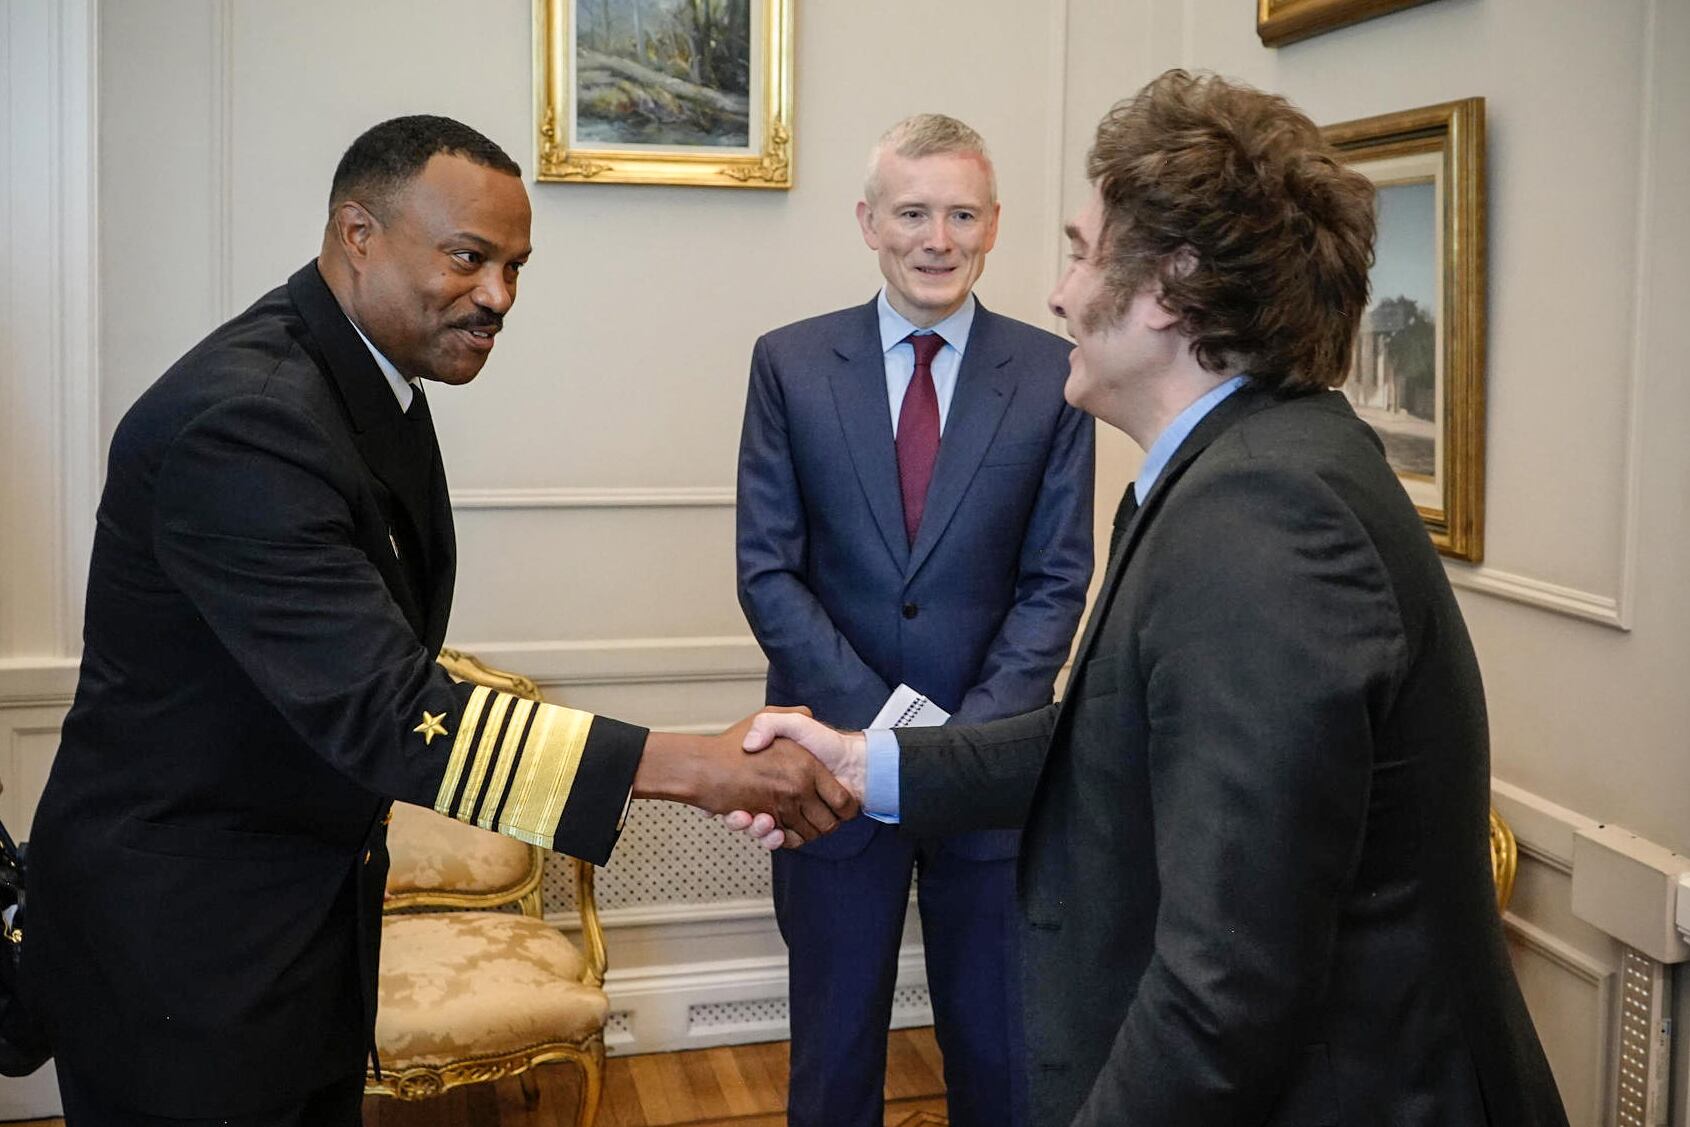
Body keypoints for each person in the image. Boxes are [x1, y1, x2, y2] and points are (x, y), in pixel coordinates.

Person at [740, 72, 1570, 1126]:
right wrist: (873, 759)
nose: (1056, 290)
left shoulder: (1265, 519)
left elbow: (1224, 989)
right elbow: (1109, 735)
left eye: (1082, 252)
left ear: (1166, 291)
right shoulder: (1252, 462)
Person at [24, 115, 854, 1127]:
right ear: (358, 233)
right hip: (184, 939)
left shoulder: (364, 387)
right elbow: (389, 707)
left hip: (290, 908)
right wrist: (696, 764)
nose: (499, 296)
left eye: (514, 266)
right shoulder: (246, 421)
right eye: (469, 258)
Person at [734, 114, 1094, 1127]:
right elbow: (767, 573)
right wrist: (878, 738)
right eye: (913, 212)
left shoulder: (1055, 376)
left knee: (998, 1054)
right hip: (824, 771)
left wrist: (950, 749)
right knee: (835, 1050)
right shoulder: (790, 364)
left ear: (992, 227)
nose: (938, 238)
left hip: (988, 777)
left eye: (962, 214)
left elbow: (1056, 582)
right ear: (867, 222)